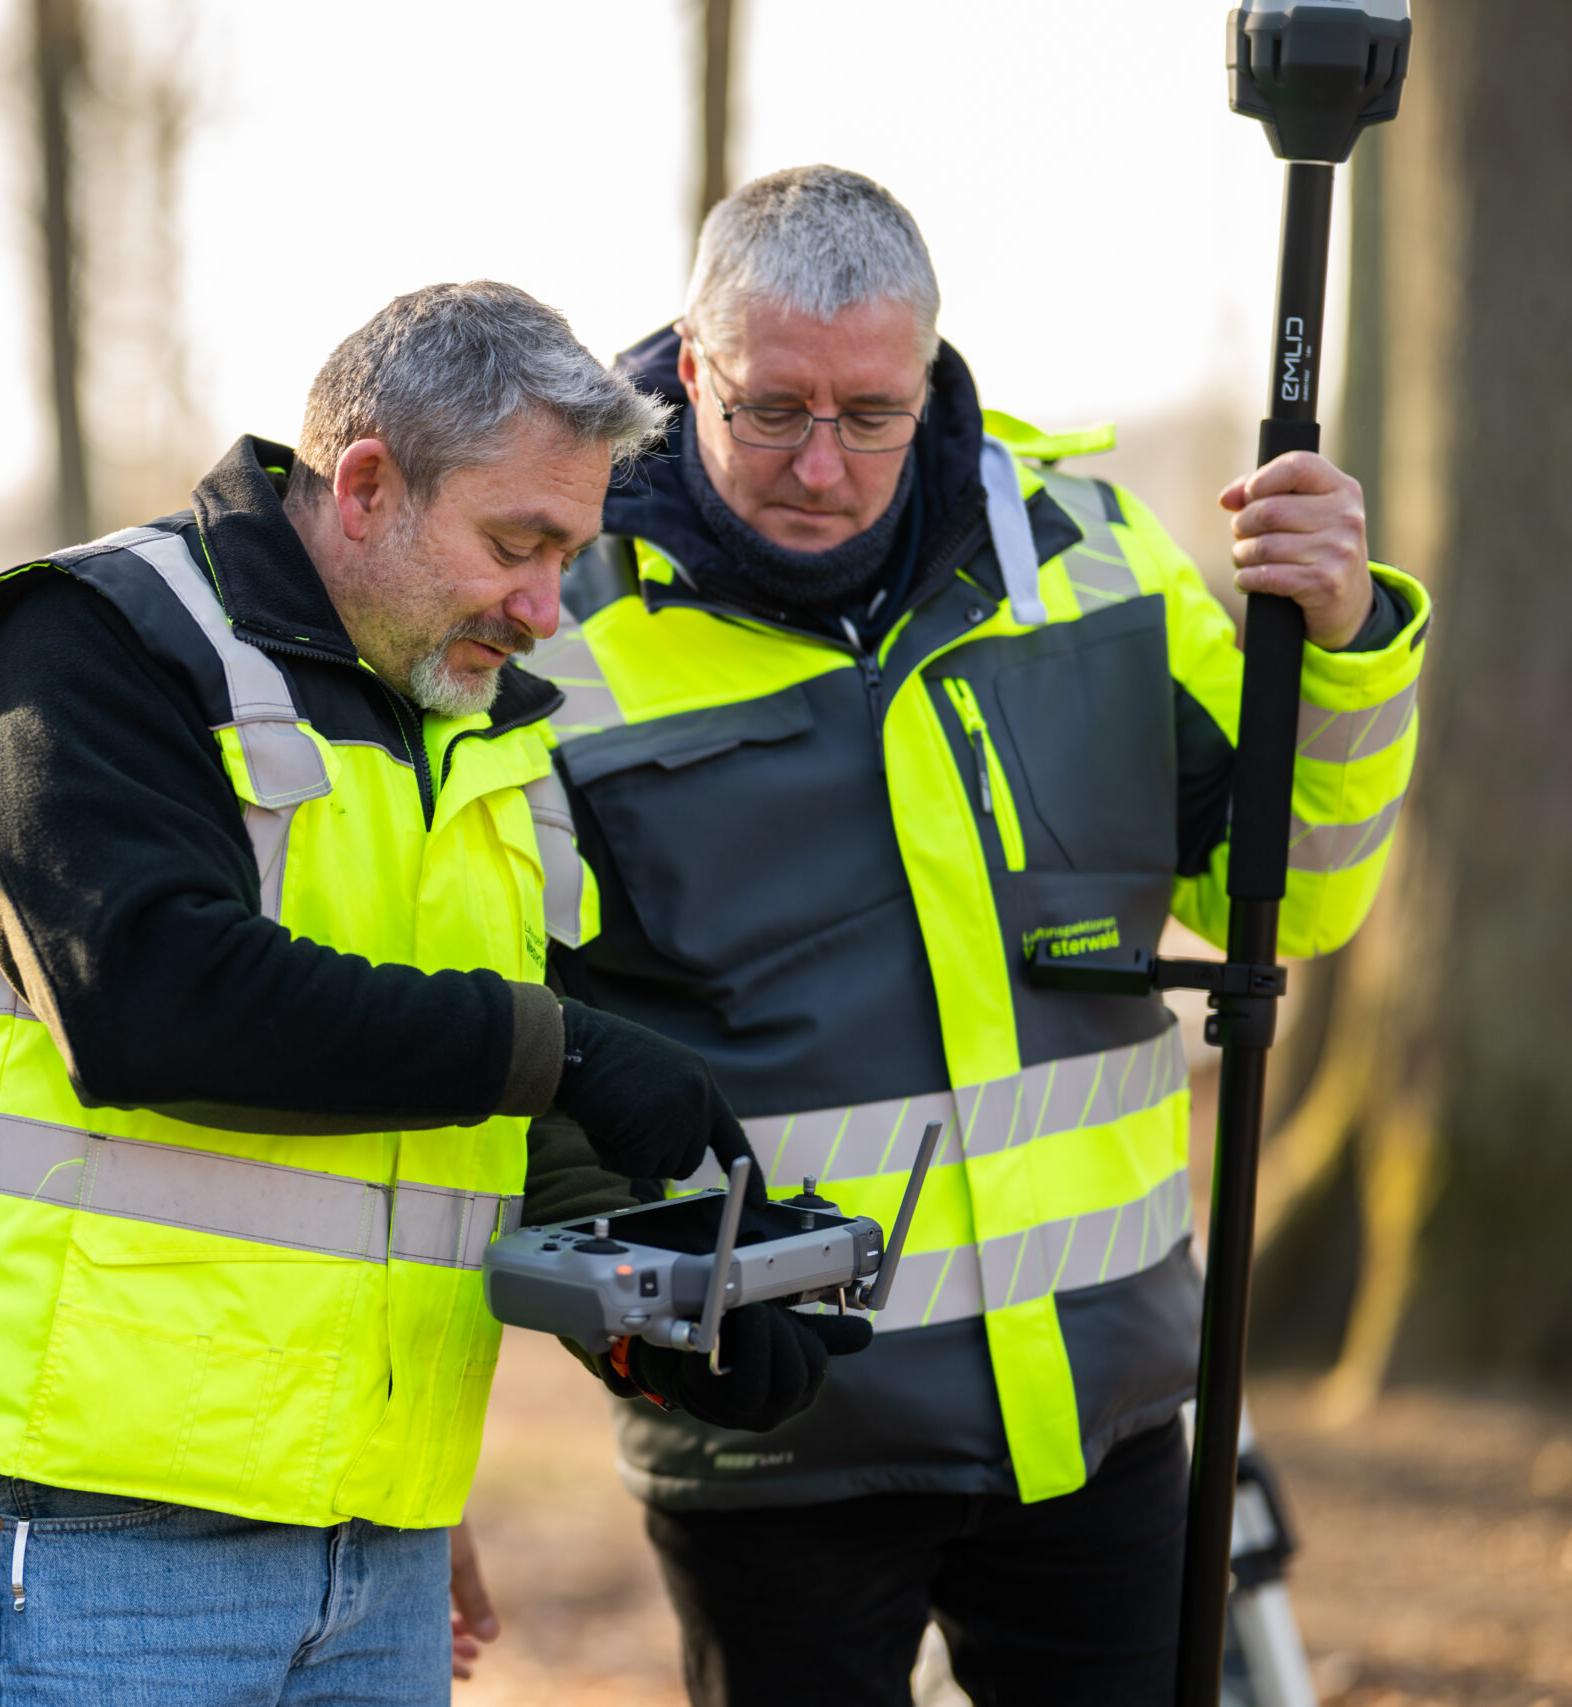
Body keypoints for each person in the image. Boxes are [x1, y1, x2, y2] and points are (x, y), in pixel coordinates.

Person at [0, 280, 870, 1707]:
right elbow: (149, 997)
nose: (543, 608)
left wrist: (665, 1308)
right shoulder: (88, 641)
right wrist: (566, 1051)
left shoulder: (481, 732)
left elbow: (484, 1118)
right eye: (515, 545)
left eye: (567, 555)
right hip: (98, 1526)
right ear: (364, 486)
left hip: (383, 1536)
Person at [520, 166, 1429, 1706]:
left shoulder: (1087, 554)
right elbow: (514, 1037)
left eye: (872, 414)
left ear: (931, 371)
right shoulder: (557, 625)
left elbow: (1287, 896)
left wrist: (1341, 649)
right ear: (692, 366)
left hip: (1103, 1411)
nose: (822, 466)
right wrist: (634, 1321)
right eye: (771, 410)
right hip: (774, 1434)